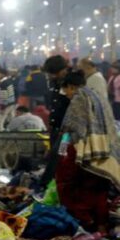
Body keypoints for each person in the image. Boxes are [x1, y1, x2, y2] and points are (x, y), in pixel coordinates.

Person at [56, 71, 120, 232]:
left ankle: (84, 223)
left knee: (72, 188)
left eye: (66, 91)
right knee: (99, 191)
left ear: (71, 87)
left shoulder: (79, 98)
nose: (67, 95)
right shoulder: (99, 97)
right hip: (104, 152)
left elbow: (69, 130)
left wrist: (61, 152)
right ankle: (101, 226)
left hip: (82, 152)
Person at [42, 55, 72, 183]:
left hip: (66, 132)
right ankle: (54, 183)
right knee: (53, 156)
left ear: (63, 70)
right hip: (55, 128)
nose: (51, 76)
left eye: (53, 73)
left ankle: (47, 183)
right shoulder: (55, 83)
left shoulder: (71, 85)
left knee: (59, 156)